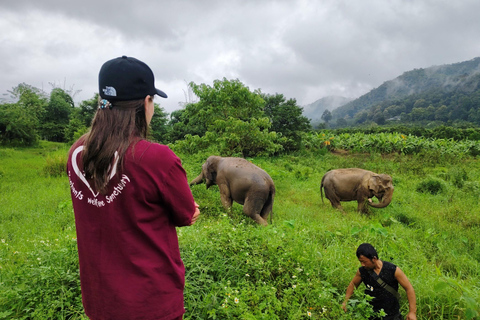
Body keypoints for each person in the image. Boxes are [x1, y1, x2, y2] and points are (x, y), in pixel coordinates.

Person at [67, 56, 200, 320]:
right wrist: (192, 210)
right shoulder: (157, 158)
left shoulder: (78, 151)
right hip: (151, 302)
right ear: (146, 102)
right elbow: (187, 215)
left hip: (99, 299)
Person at [342, 243, 417, 320]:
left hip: (392, 315)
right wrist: (345, 302)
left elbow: (409, 288)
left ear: (374, 259)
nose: (362, 264)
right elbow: (353, 284)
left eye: (364, 261)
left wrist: (412, 312)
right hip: (371, 315)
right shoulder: (362, 272)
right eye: (360, 262)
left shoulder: (392, 270)